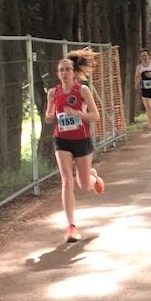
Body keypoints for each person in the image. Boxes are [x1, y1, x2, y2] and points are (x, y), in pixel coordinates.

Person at [45, 49, 105, 243]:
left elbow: (96, 116)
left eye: (68, 69)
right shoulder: (53, 93)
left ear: (74, 72)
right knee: (66, 181)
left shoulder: (82, 90)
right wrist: (50, 115)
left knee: (84, 185)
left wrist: (79, 114)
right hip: (61, 139)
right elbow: (48, 117)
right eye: (61, 70)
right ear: (58, 74)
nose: (64, 73)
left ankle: (93, 177)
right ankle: (71, 227)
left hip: (81, 139)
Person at [134, 48, 151, 137]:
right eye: (142, 56)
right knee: (148, 109)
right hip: (145, 89)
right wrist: (136, 84)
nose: (144, 57)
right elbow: (136, 76)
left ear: (149, 56)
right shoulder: (139, 67)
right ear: (140, 57)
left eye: (145, 55)